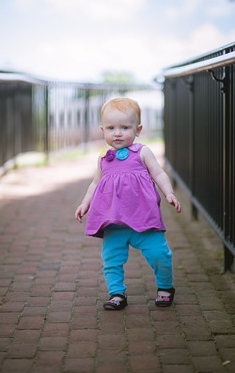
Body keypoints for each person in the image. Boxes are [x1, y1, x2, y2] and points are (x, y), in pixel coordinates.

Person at [75, 97, 181, 310]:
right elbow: (94, 184)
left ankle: (165, 287)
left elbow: (159, 174)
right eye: (111, 128)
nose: (117, 133)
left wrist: (169, 193)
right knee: (111, 259)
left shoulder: (142, 152)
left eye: (124, 127)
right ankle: (116, 293)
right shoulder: (104, 158)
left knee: (159, 253)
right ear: (102, 129)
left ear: (138, 129)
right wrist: (85, 203)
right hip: (113, 220)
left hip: (143, 218)